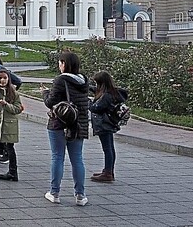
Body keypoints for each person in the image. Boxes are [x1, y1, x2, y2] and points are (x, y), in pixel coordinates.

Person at [41, 51, 90, 206]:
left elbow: (50, 102)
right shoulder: (83, 81)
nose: (59, 65)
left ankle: (54, 192)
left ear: (65, 64)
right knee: (77, 159)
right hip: (78, 124)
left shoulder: (61, 80)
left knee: (57, 157)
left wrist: (45, 93)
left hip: (58, 124)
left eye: (61, 62)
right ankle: (80, 196)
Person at [89, 70, 128, 183]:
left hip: (104, 124)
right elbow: (93, 89)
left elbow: (95, 108)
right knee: (109, 147)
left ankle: (107, 173)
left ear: (101, 83)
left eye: (97, 83)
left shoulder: (106, 96)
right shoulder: (112, 92)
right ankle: (108, 170)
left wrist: (88, 102)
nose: (96, 85)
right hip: (108, 123)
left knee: (107, 148)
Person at [0, 69, 23, 181]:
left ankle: (13, 172)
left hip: (9, 125)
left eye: (5, 78)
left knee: (10, 148)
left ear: (8, 79)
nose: (2, 80)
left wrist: (6, 105)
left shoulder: (14, 93)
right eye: (0, 78)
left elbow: (18, 109)